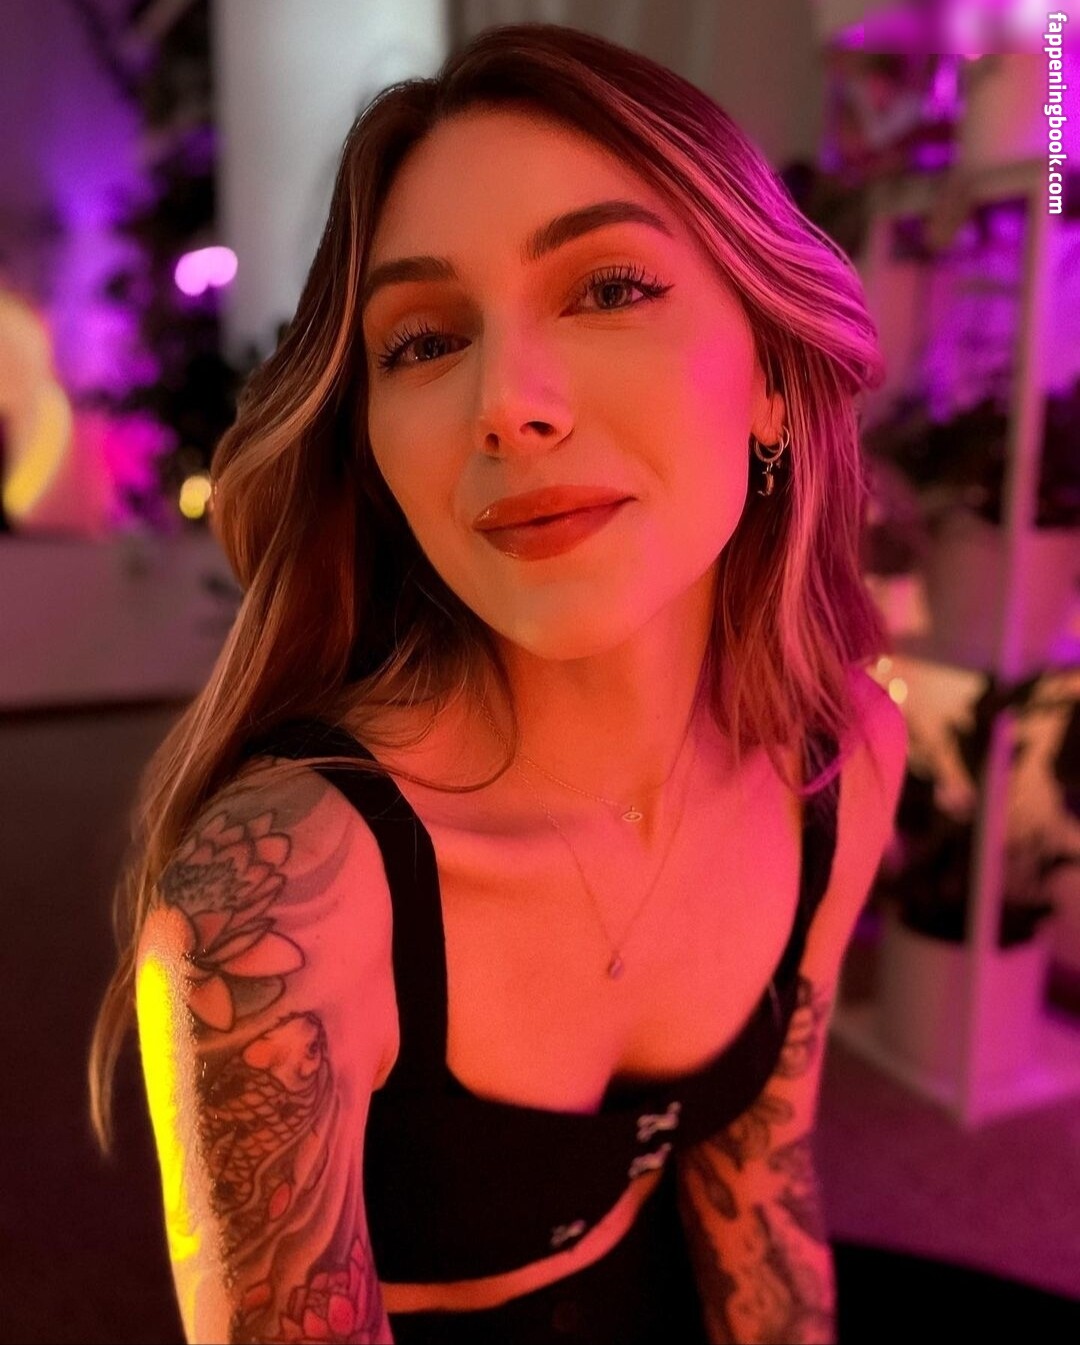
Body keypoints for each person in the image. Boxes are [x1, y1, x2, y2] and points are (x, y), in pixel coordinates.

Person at [89, 21, 907, 1345]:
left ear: (771, 377)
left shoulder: (842, 759)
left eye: (609, 288)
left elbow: (760, 1173)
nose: (506, 403)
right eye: (422, 342)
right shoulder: (286, 890)